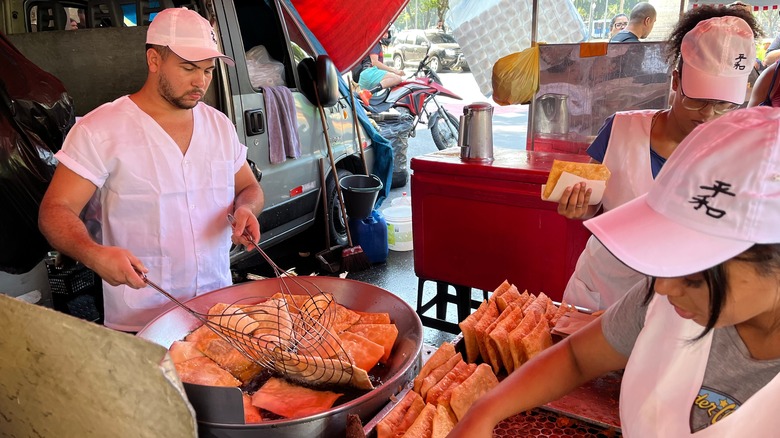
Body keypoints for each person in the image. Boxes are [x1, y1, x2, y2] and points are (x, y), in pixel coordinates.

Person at [450, 105, 780, 436]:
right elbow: (576, 358)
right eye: (666, 257)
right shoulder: (664, 300)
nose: (663, 288)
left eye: (694, 275)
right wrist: (485, 410)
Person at [38, 7, 264, 332]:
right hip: (142, 320)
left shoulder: (218, 125)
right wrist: (94, 254)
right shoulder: (101, 129)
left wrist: (246, 209)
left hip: (217, 310)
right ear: (154, 60)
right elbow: (54, 210)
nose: (200, 81)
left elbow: (249, 188)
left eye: (208, 70)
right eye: (188, 68)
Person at [558, 8, 760, 311]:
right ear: (677, 81)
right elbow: (591, 202)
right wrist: (578, 206)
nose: (708, 114)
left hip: (679, 308)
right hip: (603, 291)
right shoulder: (622, 129)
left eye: (722, 105)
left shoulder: (740, 156)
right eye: (697, 99)